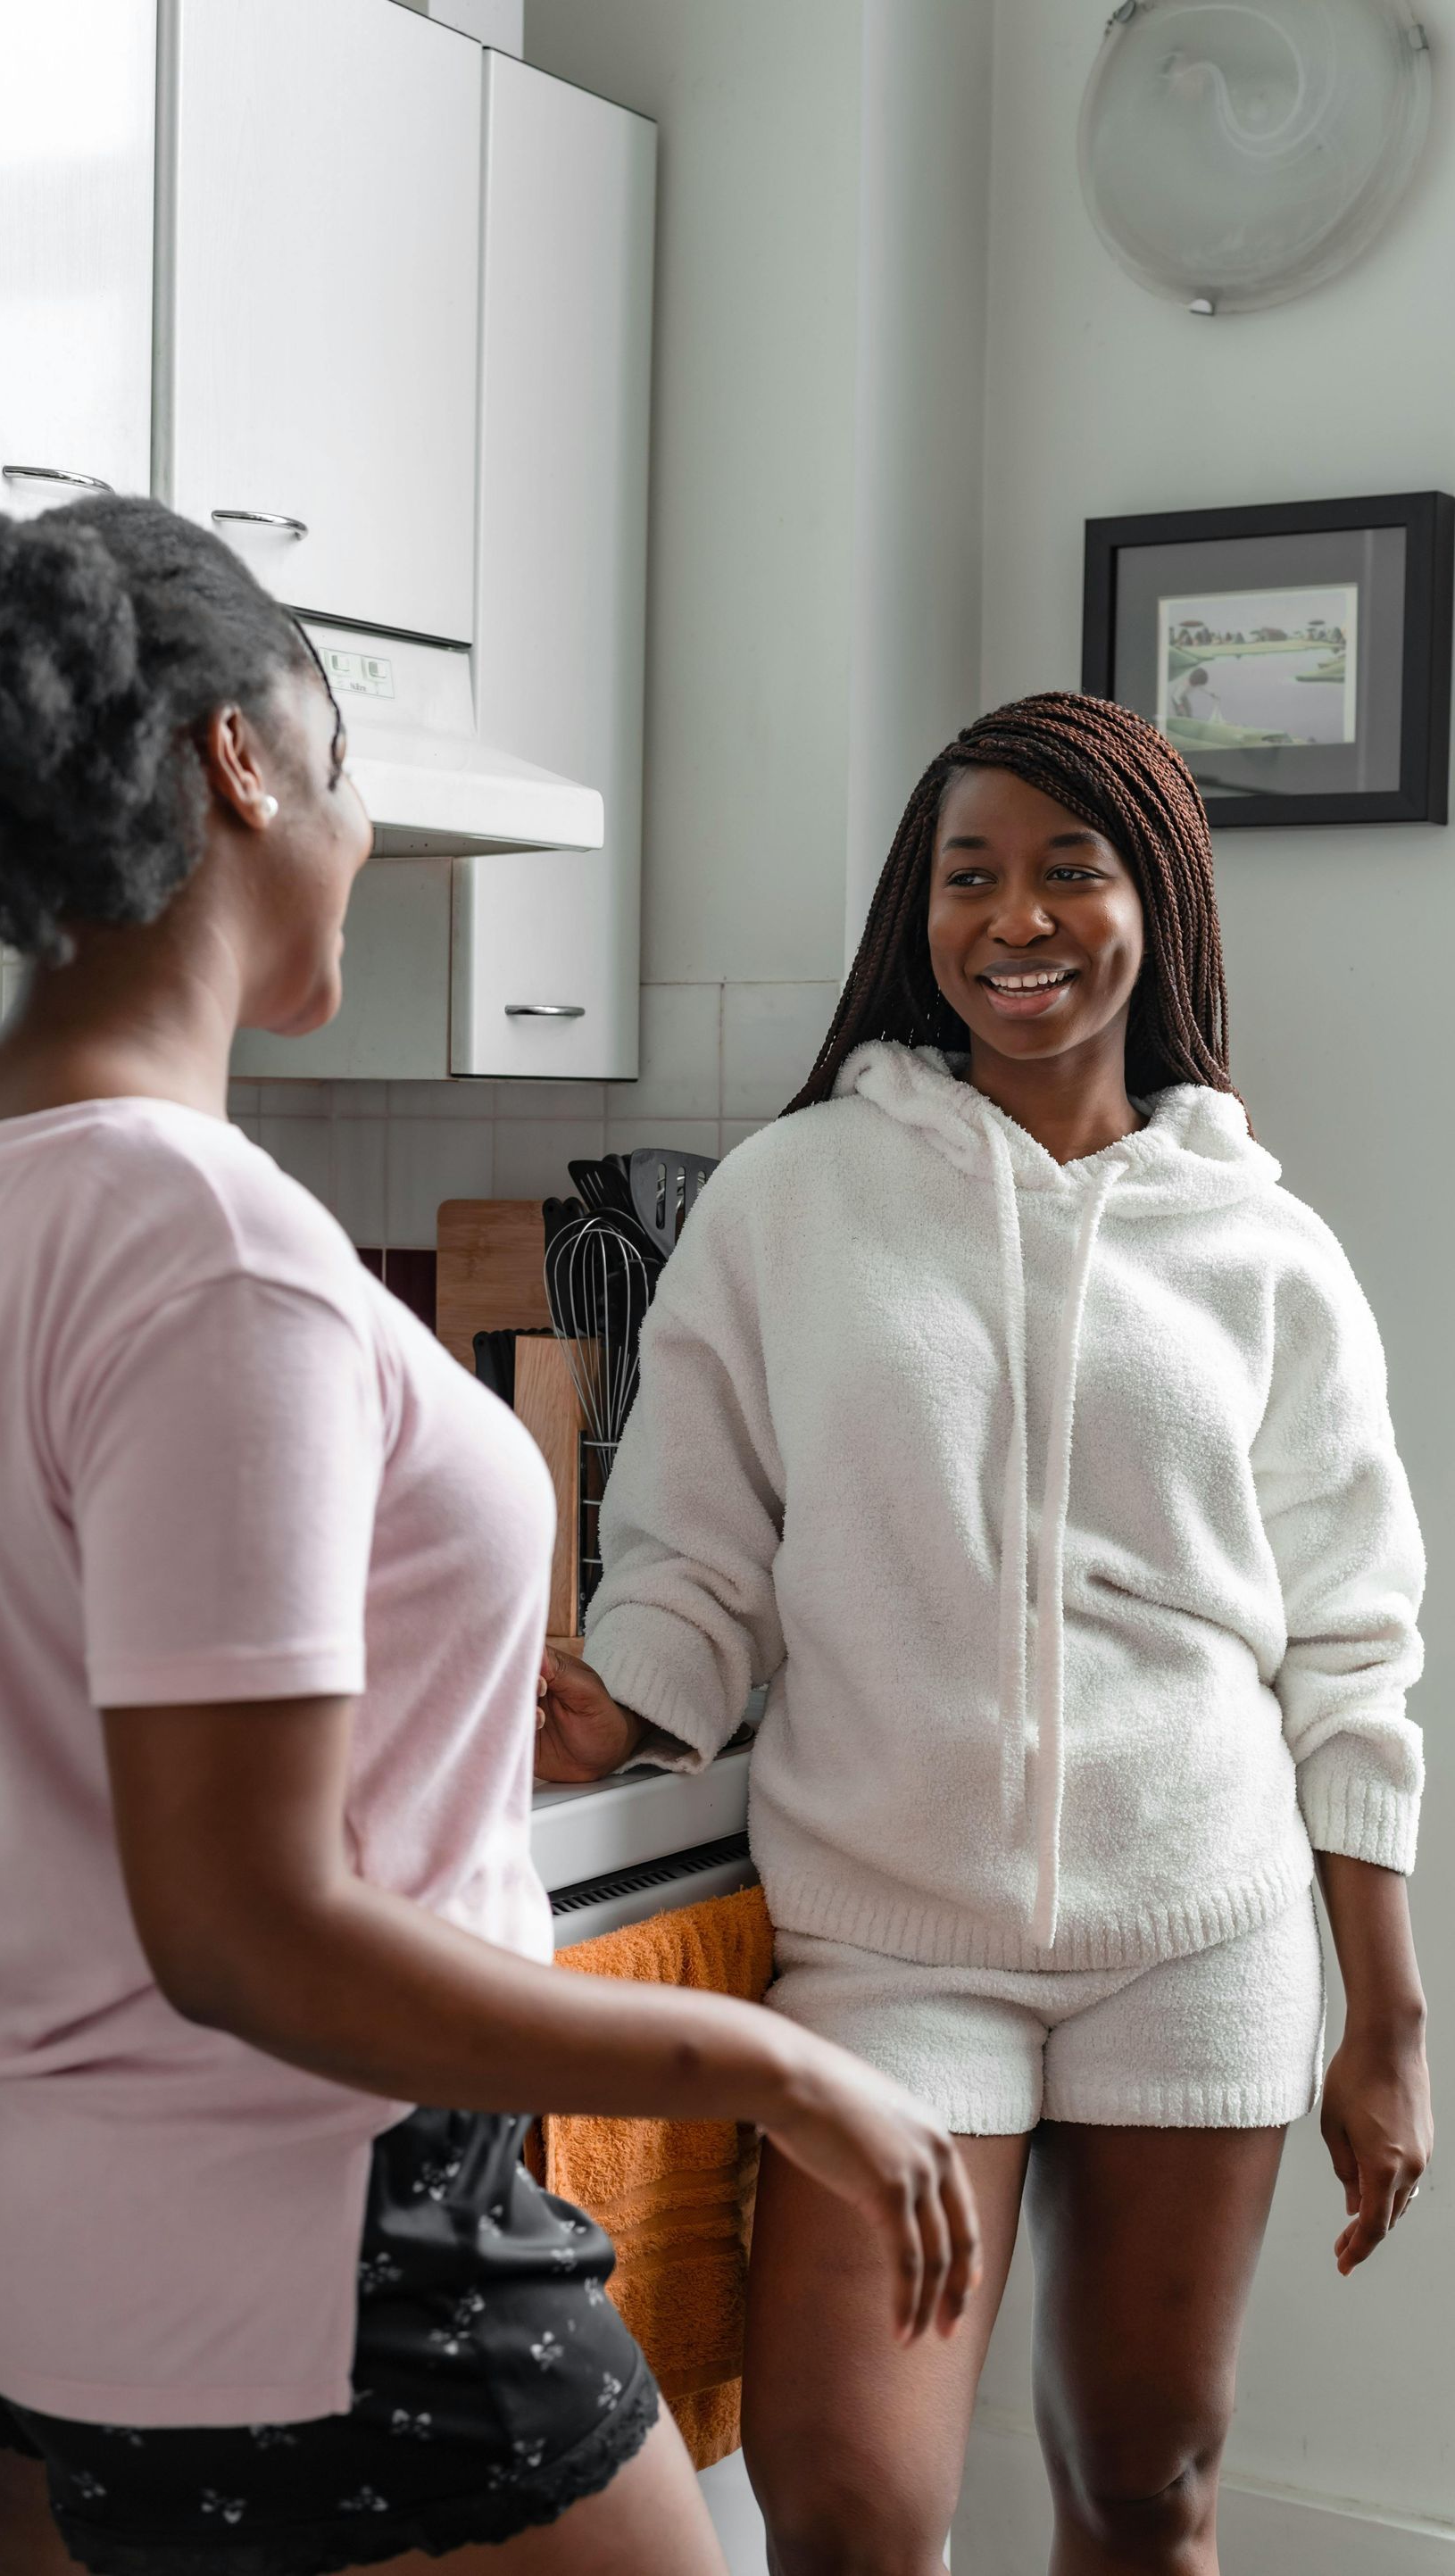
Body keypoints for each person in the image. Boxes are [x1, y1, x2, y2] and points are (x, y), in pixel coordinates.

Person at [0, 498, 979, 2576]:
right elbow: (252, 1936)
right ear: (243, 759)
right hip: (295, 2252)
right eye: (348, 756)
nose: (367, 825)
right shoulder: (208, 1250)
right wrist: (769, 2065)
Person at [537, 691, 1433, 2576]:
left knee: (1145, 2485)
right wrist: (619, 1704)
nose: (1015, 918)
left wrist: (1390, 2018)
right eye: (970, 876)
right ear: (919, 911)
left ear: (1155, 902)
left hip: (1196, 1934)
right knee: (851, 2514)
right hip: (890, 1946)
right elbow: (696, 1542)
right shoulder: (794, 1196)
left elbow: (1354, 1650)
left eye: (1067, 871)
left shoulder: (1267, 1250)